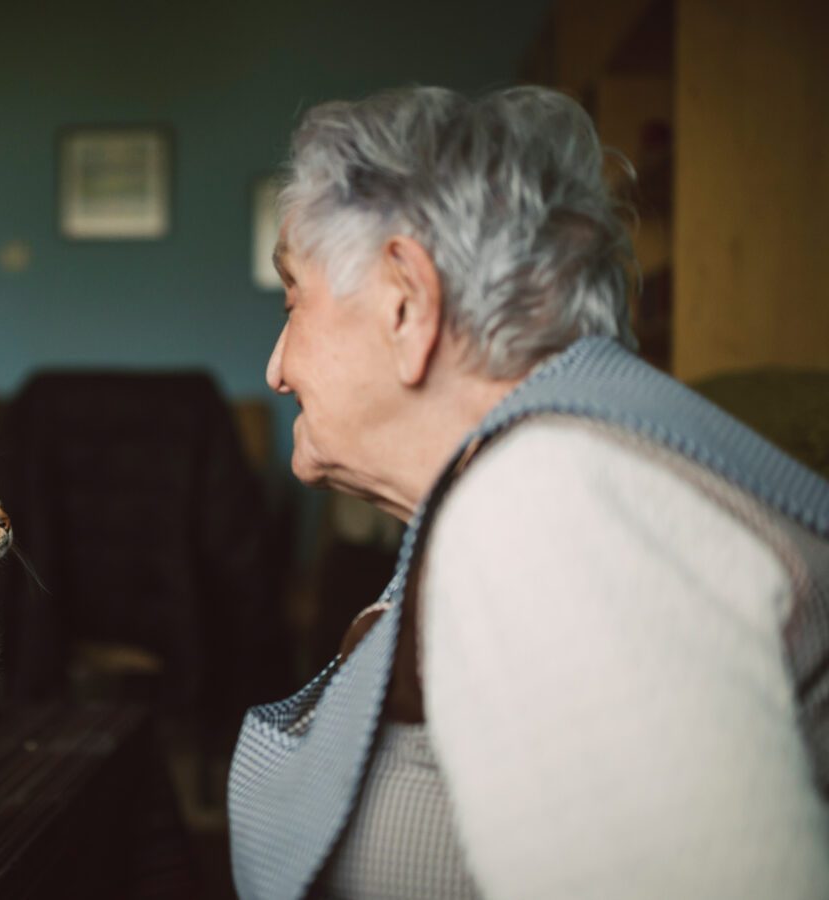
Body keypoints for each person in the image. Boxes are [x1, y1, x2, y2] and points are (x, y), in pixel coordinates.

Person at [228, 85, 829, 900]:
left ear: (406, 302)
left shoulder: (546, 507)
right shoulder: (553, 478)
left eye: (293, 297)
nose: (275, 368)